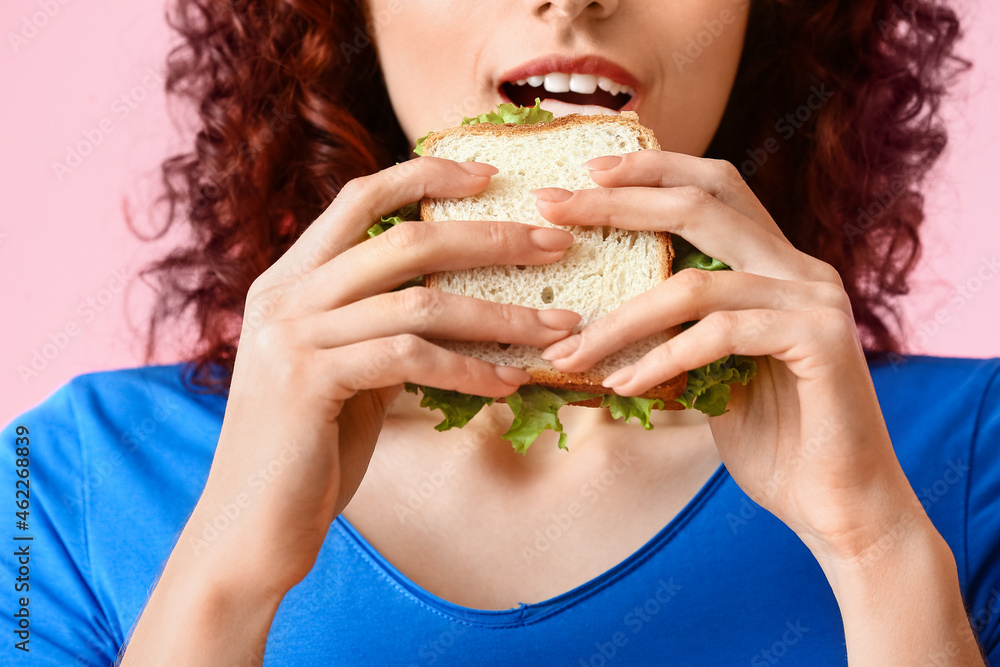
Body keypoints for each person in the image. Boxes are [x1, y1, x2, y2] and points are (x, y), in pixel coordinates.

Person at [3, 0, 998, 665]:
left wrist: (879, 553)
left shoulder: (973, 453)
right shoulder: (66, 479)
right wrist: (222, 577)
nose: (571, 0)